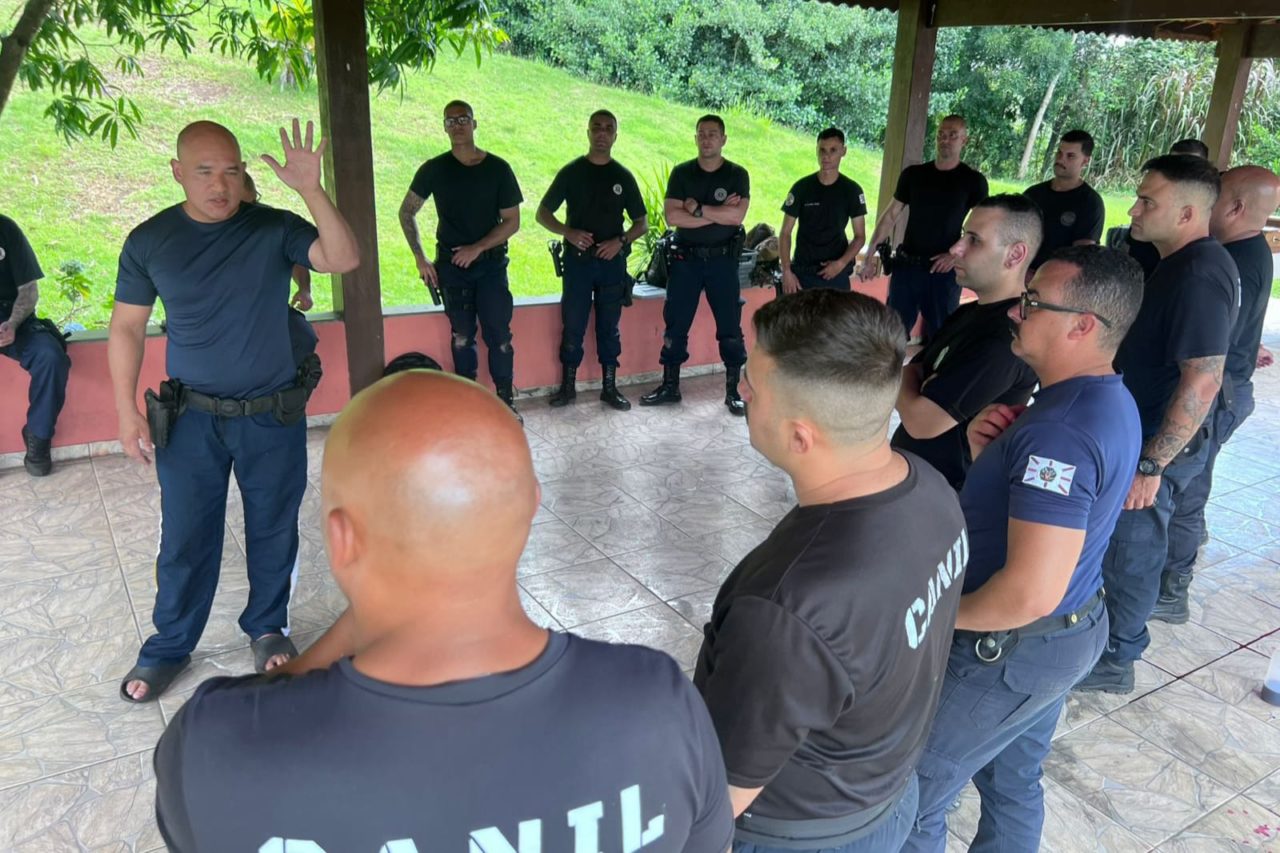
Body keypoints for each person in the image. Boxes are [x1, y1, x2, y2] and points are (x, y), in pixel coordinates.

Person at [153, 370, 736, 851]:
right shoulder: (657, 703)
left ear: (341, 537)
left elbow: (259, 703)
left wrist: (368, 613)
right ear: (530, 508)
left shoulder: (218, 749)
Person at [694, 289, 968, 852]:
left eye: (752, 385)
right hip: (887, 796)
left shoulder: (789, 607)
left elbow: (719, 799)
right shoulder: (930, 489)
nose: (742, 392)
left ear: (801, 436)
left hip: (798, 834)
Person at [903, 245, 1145, 853]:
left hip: (1011, 650)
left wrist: (930, 617)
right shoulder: (1099, 398)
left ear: (1082, 325)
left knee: (910, 797)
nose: (1016, 310)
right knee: (1011, 781)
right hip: (1066, 631)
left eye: (1033, 302)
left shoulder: (1059, 432)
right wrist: (991, 460)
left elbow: (1029, 593)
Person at [109, 119, 360, 702]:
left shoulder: (274, 227)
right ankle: (170, 645)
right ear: (177, 172)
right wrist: (125, 411)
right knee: (185, 534)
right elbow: (126, 328)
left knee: (273, 524)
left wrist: (311, 189)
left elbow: (343, 258)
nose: (219, 185)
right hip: (190, 419)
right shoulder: (150, 241)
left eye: (231, 170)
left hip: (270, 413)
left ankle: (267, 627)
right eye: (204, 171)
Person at [1076, 154, 1238, 694]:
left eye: (1148, 201)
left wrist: (1151, 463)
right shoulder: (1178, 263)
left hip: (1157, 443)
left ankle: (1116, 658)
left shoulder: (1199, 272)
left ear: (1188, 213)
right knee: (1119, 544)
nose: (1134, 210)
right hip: (1139, 429)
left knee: (1132, 550)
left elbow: (1203, 379)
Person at [1152, 164, 1280, 623]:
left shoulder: (1233, 261)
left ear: (1236, 207)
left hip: (1218, 395)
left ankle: (1172, 588)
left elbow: (1208, 352)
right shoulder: (1241, 252)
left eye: (1217, 196)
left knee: (1184, 492)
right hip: (1229, 386)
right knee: (1187, 487)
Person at [891, 195, 1042, 490]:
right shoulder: (969, 312)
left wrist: (913, 383)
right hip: (915, 480)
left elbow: (921, 422)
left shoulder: (1005, 338)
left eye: (974, 240)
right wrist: (912, 383)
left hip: (945, 494)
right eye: (963, 235)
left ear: (1014, 255)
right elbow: (911, 369)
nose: (956, 248)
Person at [399, 100, 523, 421]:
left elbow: (512, 221)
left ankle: (506, 403)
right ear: (444, 127)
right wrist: (420, 258)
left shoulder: (498, 168)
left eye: (463, 119)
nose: (457, 125)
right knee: (462, 336)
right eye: (450, 121)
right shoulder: (434, 169)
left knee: (499, 337)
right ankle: (467, 406)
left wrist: (477, 248)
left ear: (474, 123)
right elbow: (406, 211)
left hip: (491, 266)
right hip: (452, 267)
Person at [639, 114, 750, 416]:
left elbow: (736, 217)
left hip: (722, 261)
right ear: (695, 138)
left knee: (730, 326)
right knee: (676, 324)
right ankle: (670, 386)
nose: (706, 139)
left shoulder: (737, 175)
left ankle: (734, 391)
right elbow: (673, 217)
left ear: (723, 139)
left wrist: (697, 209)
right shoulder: (682, 173)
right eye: (701, 133)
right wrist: (717, 213)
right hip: (685, 260)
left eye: (713, 134)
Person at [537, 109, 648, 410]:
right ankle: (567, 387)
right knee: (573, 324)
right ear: (588, 132)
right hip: (578, 263)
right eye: (596, 127)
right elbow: (542, 213)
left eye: (608, 128)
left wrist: (620, 241)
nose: (602, 133)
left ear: (615, 136)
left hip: (611, 263)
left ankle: (609, 387)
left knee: (609, 328)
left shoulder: (622, 176)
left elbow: (642, 223)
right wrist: (568, 232)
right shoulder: (572, 172)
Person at [861, 115, 989, 340]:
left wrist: (954, 256)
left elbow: (981, 226)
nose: (945, 140)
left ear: (964, 140)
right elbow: (890, 215)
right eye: (941, 134)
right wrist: (870, 254)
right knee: (891, 333)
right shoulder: (914, 175)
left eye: (952, 135)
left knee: (942, 335)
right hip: (907, 267)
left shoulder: (972, 181)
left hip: (943, 272)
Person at [0, 214, 70, 477]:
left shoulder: (6, 229)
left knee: (51, 357)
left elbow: (29, 289)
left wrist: (13, 323)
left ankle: (38, 437)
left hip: (13, 319)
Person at [242, 170, 319, 366]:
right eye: (243, 208)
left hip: (271, 310)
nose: (251, 213)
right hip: (226, 315)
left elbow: (296, 259)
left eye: (254, 203)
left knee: (304, 337)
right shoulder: (207, 230)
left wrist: (304, 289)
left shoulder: (270, 221)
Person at [778, 128, 868, 294]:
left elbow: (860, 236)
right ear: (816, 150)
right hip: (803, 272)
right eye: (822, 150)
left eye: (833, 150)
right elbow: (785, 232)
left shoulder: (852, 190)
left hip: (836, 272)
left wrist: (841, 263)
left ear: (843, 151)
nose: (826, 156)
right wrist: (786, 270)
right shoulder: (802, 187)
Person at [1122, 139, 1210, 279]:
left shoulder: (1196, 273)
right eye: (1171, 166)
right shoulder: (1145, 224)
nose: (1177, 173)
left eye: (1190, 168)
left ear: (1186, 215)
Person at [1023, 129, 1106, 270]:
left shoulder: (1090, 203)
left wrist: (1040, 276)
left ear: (1085, 161)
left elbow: (1081, 258)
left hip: (1058, 277)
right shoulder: (1033, 194)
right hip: (1020, 270)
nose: (1061, 159)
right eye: (1059, 153)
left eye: (1070, 156)